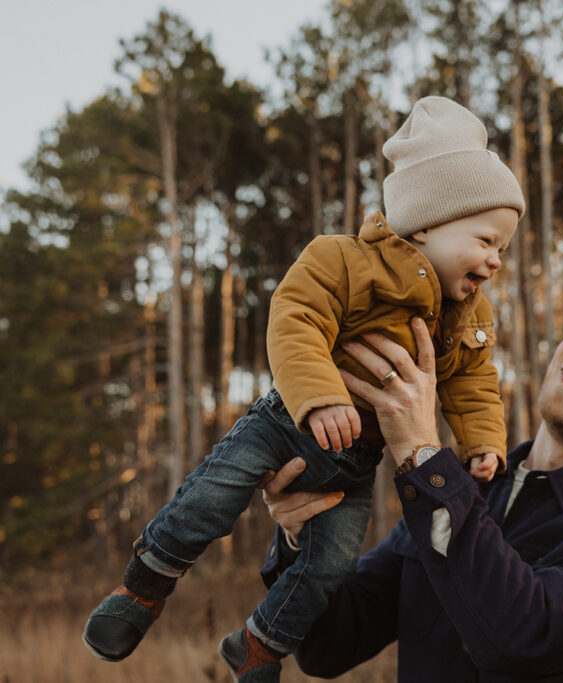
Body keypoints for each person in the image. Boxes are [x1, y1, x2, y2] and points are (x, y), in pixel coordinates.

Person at [82, 96, 526, 683]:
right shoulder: (342, 259)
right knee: (211, 499)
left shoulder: (469, 315)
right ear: (427, 221)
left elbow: (473, 382)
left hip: (356, 459)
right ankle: (142, 588)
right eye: (487, 240)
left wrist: (482, 443)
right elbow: (295, 319)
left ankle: (260, 647)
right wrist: (322, 397)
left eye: (504, 249)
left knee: (330, 565)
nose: (496, 261)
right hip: (285, 423)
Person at [258, 278, 563, 681]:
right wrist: (305, 538)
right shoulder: (465, 488)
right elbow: (328, 646)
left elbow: (520, 635)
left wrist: (421, 451)